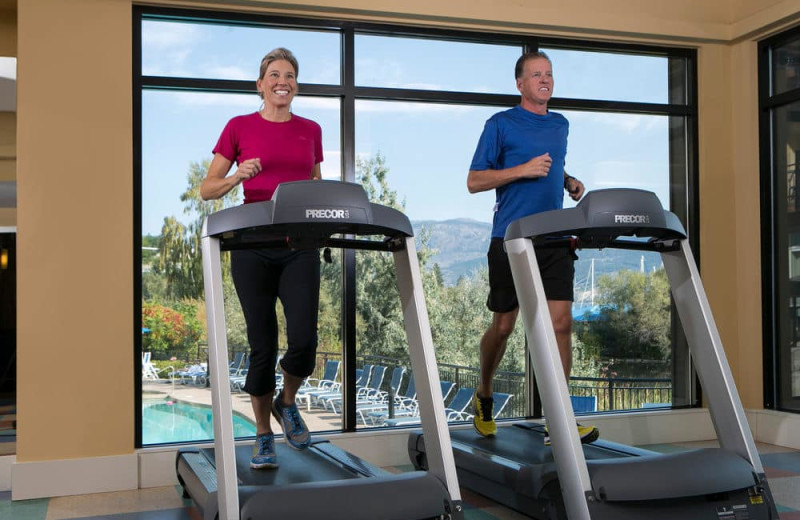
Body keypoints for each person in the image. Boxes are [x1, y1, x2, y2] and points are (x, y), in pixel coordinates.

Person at [466, 51, 598, 445]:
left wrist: (567, 180)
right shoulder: (500, 124)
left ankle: (558, 417)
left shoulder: (560, 124)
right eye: (536, 74)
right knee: (504, 326)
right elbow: (474, 180)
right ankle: (484, 392)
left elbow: (551, 167)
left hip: (554, 238)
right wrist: (521, 170)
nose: (545, 80)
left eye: (549, 74)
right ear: (520, 84)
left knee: (561, 324)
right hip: (511, 237)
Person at [200, 47, 323, 469]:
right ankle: (263, 434)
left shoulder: (311, 129)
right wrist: (237, 176)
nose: (281, 81)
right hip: (251, 247)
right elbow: (207, 189)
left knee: (304, 339)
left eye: (289, 74)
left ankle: (286, 403)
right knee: (262, 345)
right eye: (274, 74)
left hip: (299, 246)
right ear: (260, 84)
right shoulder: (239, 127)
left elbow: (315, 188)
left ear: (296, 85)